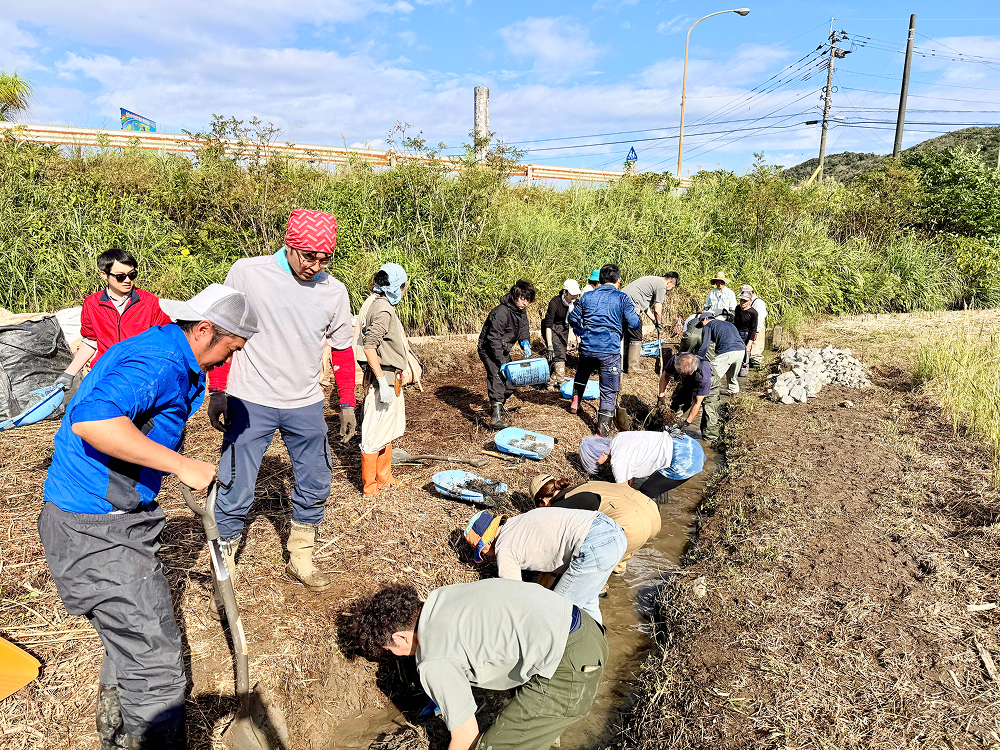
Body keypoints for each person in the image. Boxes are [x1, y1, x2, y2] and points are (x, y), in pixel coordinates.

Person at [38, 284, 258, 750]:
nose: (228, 362)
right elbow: (93, 421)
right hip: (97, 529)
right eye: (229, 350)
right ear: (203, 331)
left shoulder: (168, 353)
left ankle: (117, 735)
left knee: (131, 644)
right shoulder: (157, 363)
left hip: (102, 518)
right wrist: (180, 464)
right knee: (158, 671)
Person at [206, 209, 357, 594]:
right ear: (288, 245)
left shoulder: (334, 291)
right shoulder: (247, 272)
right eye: (308, 256)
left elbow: (341, 349)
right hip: (249, 397)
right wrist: (218, 389)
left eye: (325, 258)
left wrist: (347, 403)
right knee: (236, 482)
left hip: (303, 401)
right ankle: (224, 571)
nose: (315, 266)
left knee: (316, 477)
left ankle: (301, 555)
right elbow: (223, 328)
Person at [353, 579, 607, 750]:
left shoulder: (434, 660)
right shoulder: (441, 597)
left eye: (392, 650)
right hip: (584, 627)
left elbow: (465, 738)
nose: (399, 656)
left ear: (400, 636)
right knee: (531, 732)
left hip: (571, 665)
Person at [464, 508, 626, 625]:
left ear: (488, 541)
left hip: (593, 543)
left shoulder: (504, 547)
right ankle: (599, 651)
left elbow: (515, 596)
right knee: (589, 602)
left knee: (556, 615)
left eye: (480, 550)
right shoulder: (518, 521)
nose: (484, 555)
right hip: (613, 532)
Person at [54, 248, 172, 389]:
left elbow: (167, 338)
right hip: (106, 374)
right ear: (104, 275)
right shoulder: (92, 304)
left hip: (141, 376)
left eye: (132, 275)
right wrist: (69, 374)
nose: (128, 280)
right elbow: (90, 341)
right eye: (121, 276)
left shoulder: (149, 302)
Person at [529, 474, 660, 574]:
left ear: (543, 501)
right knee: (617, 562)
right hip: (652, 513)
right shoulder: (580, 487)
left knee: (592, 570)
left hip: (632, 524)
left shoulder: (560, 507)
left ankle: (603, 591)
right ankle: (618, 574)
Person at [355, 263, 411, 495]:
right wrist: (380, 381)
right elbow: (369, 347)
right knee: (374, 430)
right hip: (384, 378)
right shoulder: (384, 309)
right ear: (397, 286)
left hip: (390, 377)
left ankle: (384, 476)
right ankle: (370, 486)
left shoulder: (379, 303)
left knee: (386, 428)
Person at [567, 264, 641, 437]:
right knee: (608, 392)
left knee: (583, 371)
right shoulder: (622, 298)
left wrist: (581, 330)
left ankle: (575, 402)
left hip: (587, 347)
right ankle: (602, 432)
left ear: (599, 280)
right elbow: (635, 323)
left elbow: (572, 318)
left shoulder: (587, 297)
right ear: (619, 280)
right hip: (609, 351)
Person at [578, 429, 706, 501]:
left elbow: (622, 492)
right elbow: (630, 472)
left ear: (600, 454)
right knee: (658, 482)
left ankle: (653, 523)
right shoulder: (619, 437)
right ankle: (662, 501)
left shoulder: (617, 461)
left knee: (647, 491)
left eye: (595, 461)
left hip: (685, 460)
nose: (599, 465)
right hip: (686, 442)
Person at [478, 280, 536, 429]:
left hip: (502, 348)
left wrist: (525, 342)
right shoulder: (500, 313)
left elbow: (523, 328)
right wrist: (502, 362)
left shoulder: (520, 311)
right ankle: (495, 418)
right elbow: (493, 339)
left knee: (512, 380)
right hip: (488, 348)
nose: (526, 303)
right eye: (523, 299)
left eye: (528, 300)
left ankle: (498, 407)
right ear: (514, 296)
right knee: (497, 377)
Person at [620, 271, 680, 373]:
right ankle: (633, 368)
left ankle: (624, 364)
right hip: (630, 308)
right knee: (636, 336)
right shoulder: (661, 286)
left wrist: (654, 321)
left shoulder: (652, 281)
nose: (670, 290)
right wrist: (659, 322)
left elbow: (645, 307)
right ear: (669, 282)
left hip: (620, 305)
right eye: (672, 287)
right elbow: (657, 309)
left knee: (626, 335)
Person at [659, 352, 721, 441]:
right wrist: (661, 397)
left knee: (710, 415)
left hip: (711, 386)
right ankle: (668, 432)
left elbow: (697, 402)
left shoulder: (704, 378)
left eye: (685, 374)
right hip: (687, 383)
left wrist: (687, 422)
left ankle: (709, 442)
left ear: (694, 369)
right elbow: (665, 375)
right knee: (676, 407)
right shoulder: (675, 359)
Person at [542, 279, 581, 390]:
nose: (575, 297)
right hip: (552, 328)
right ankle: (562, 382)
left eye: (576, 295)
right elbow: (548, 325)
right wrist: (549, 345)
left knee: (561, 354)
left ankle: (549, 384)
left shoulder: (576, 303)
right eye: (572, 295)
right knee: (559, 355)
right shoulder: (555, 302)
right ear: (565, 292)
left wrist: (579, 340)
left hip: (564, 328)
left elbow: (576, 322)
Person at [696, 311, 745, 396]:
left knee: (710, 375)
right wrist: (745, 360)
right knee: (732, 378)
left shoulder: (708, 325)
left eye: (701, 322)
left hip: (728, 352)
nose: (701, 325)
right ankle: (735, 400)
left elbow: (705, 346)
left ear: (706, 319)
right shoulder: (729, 324)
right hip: (741, 351)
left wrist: (698, 360)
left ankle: (703, 398)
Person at [740, 284, 768, 370]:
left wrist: (756, 331)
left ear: (751, 293)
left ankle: (756, 365)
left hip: (757, 326)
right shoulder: (745, 303)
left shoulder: (758, 303)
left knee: (756, 347)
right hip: (749, 326)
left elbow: (759, 318)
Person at [733, 290, 760, 378]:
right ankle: (735, 369)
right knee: (735, 352)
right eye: (741, 300)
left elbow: (753, 329)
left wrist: (749, 344)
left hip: (746, 334)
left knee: (745, 353)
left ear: (750, 302)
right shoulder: (737, 309)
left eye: (745, 301)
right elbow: (735, 323)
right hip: (737, 333)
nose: (743, 303)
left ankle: (744, 369)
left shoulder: (753, 313)